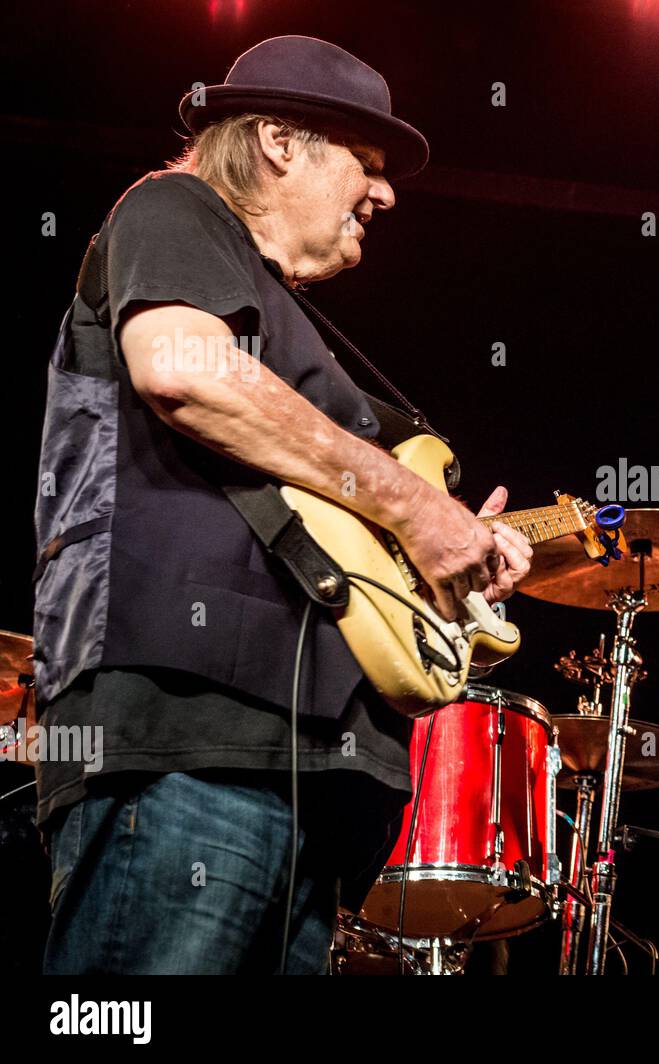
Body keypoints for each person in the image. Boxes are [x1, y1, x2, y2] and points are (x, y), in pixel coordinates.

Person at [33, 35, 532, 974]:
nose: (385, 195)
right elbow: (182, 370)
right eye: (368, 164)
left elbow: (332, 517)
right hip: (187, 743)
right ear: (276, 141)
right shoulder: (173, 206)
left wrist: (448, 560)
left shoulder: (294, 323)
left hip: (300, 777)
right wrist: (415, 511)